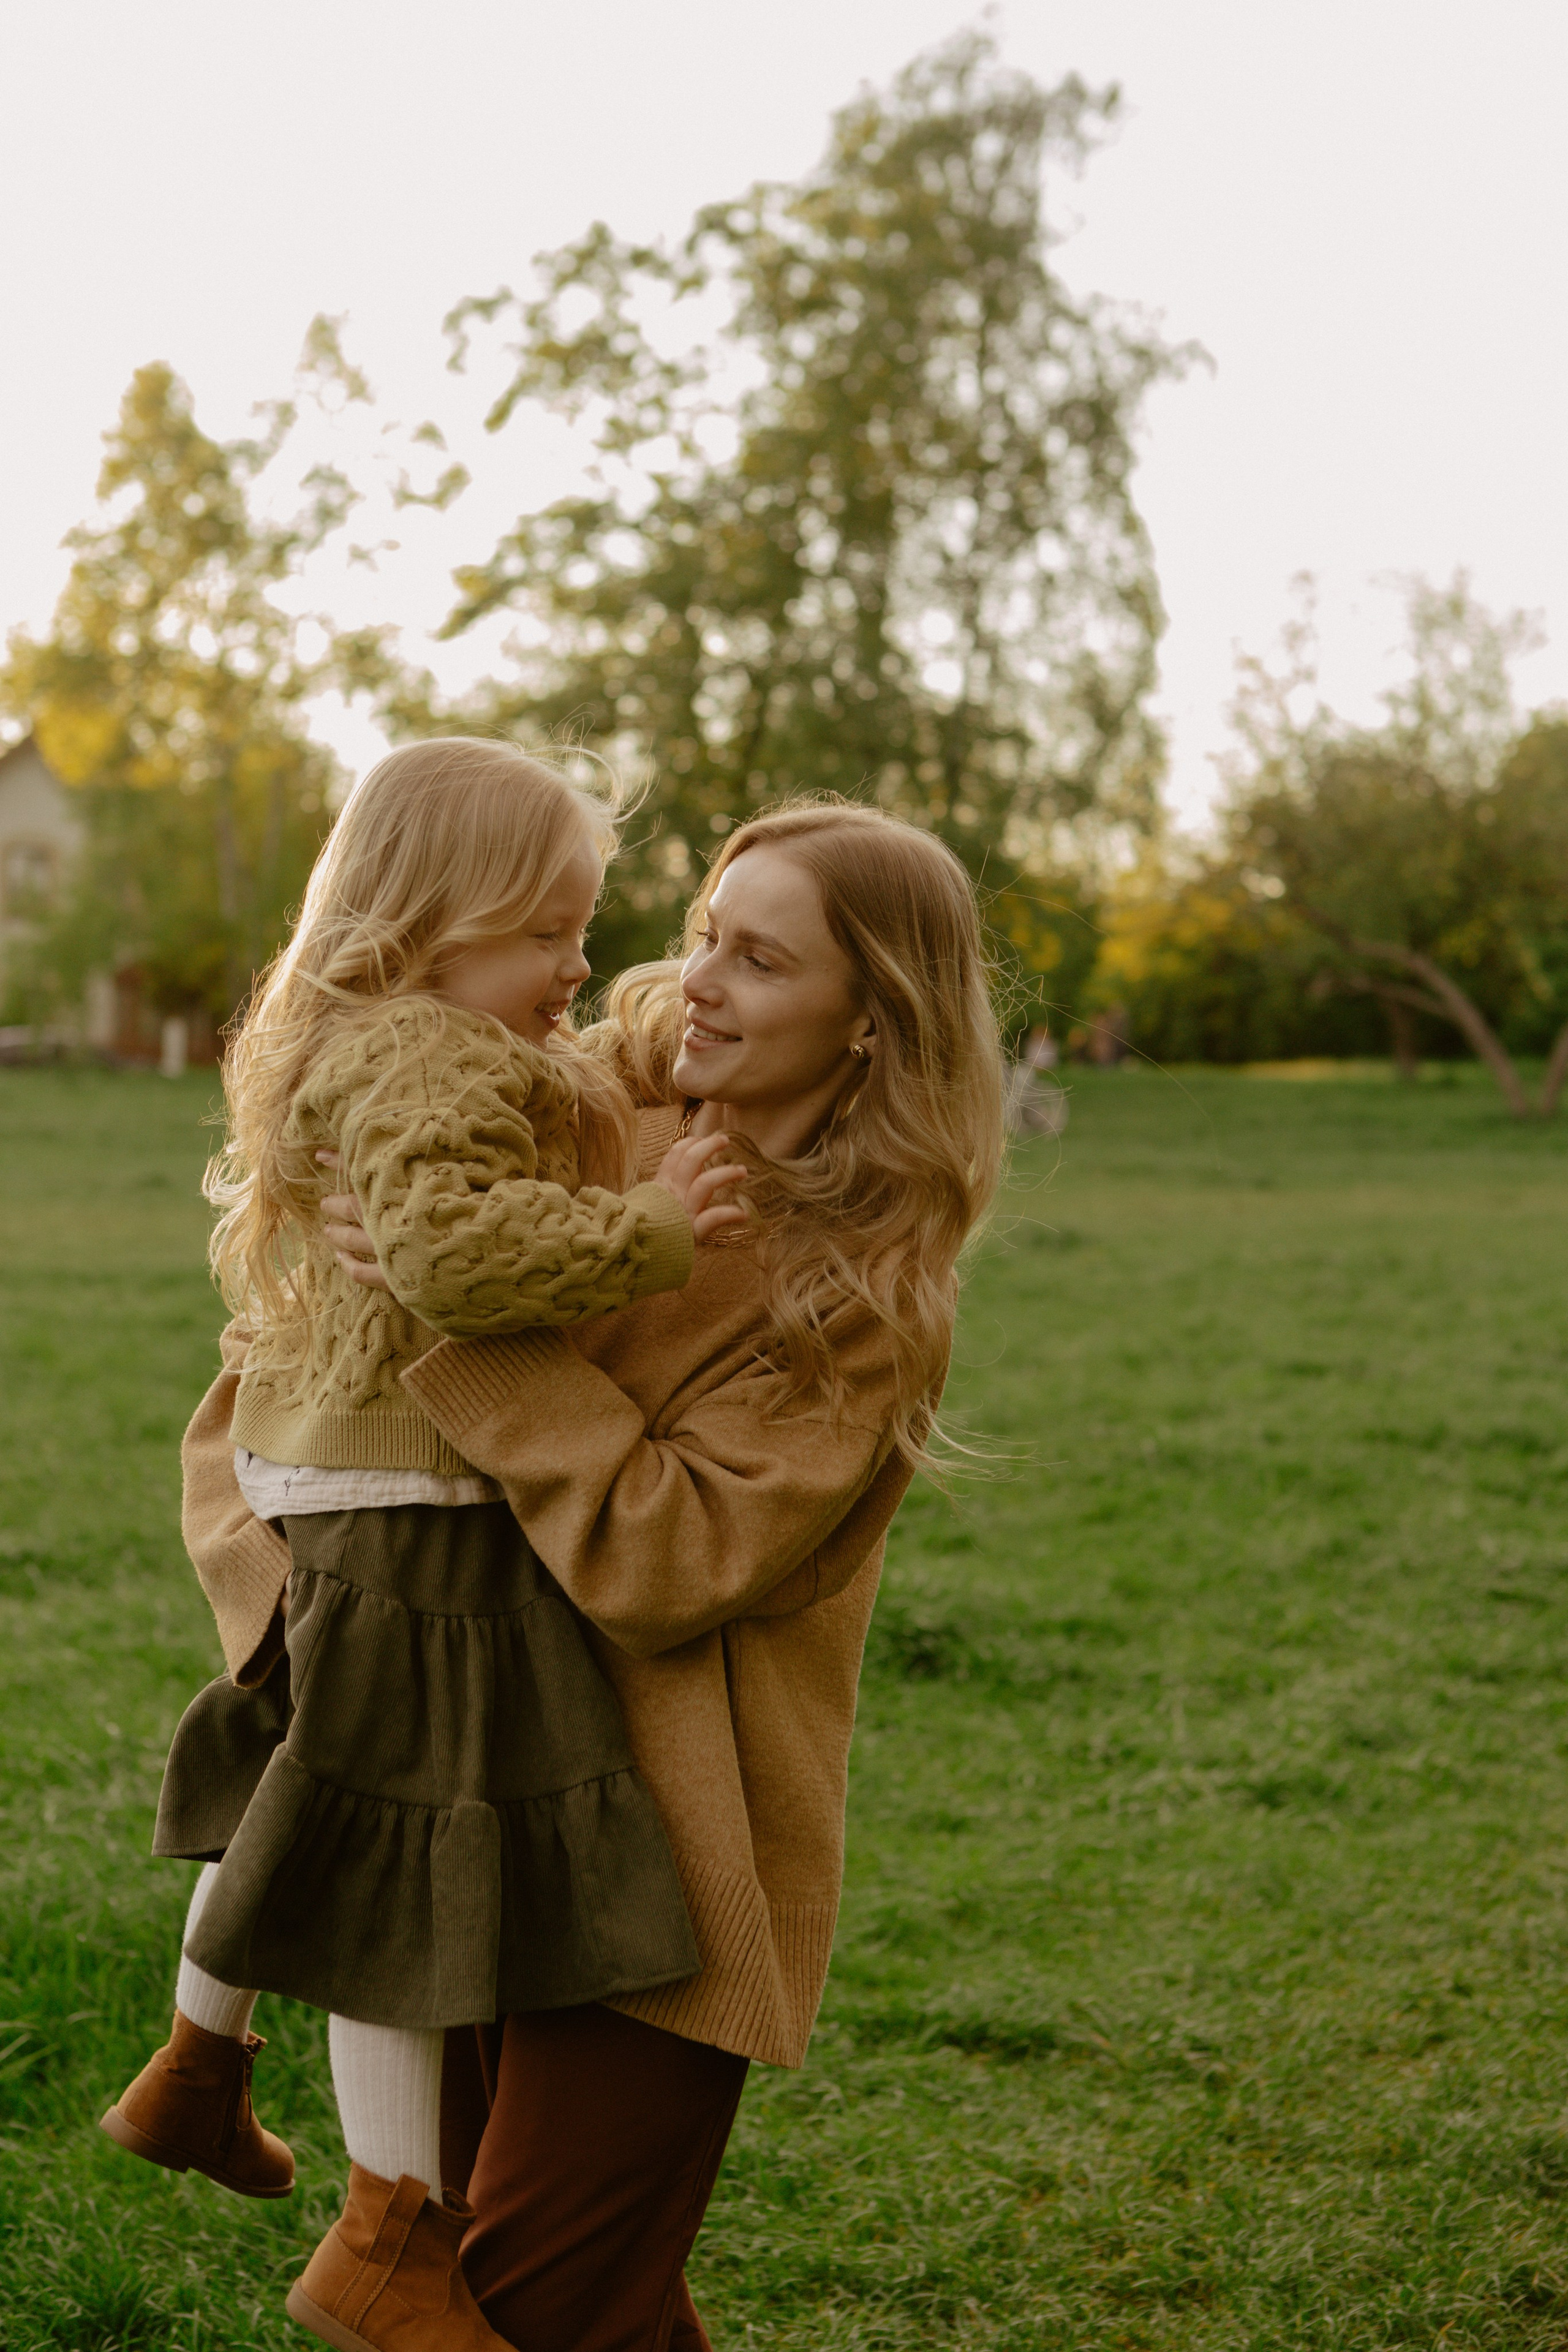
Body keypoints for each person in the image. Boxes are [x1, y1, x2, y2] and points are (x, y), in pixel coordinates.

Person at [178, 799, 1006, 2352]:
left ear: (871, 1029)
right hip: (476, 1791)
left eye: (759, 960)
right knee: (550, 2294)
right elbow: (266, 1400)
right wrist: (308, 1651)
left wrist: (466, 1324)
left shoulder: (857, 1298)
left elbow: (667, 1558)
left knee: (522, 2296)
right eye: (704, 930)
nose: (695, 977)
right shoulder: (547, 1113)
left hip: (679, 1864)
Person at [101, 739, 748, 2352]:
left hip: (329, 1472)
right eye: (549, 933)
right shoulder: (434, 1058)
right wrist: (651, 1230)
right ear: (429, 925)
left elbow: (586, 1063)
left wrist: (637, 1031)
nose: (577, 967)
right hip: (409, 1498)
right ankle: (393, 2232)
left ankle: (197, 2066)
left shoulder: (381, 1035)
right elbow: (454, 1257)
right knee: (405, 1848)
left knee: (320, 1786)